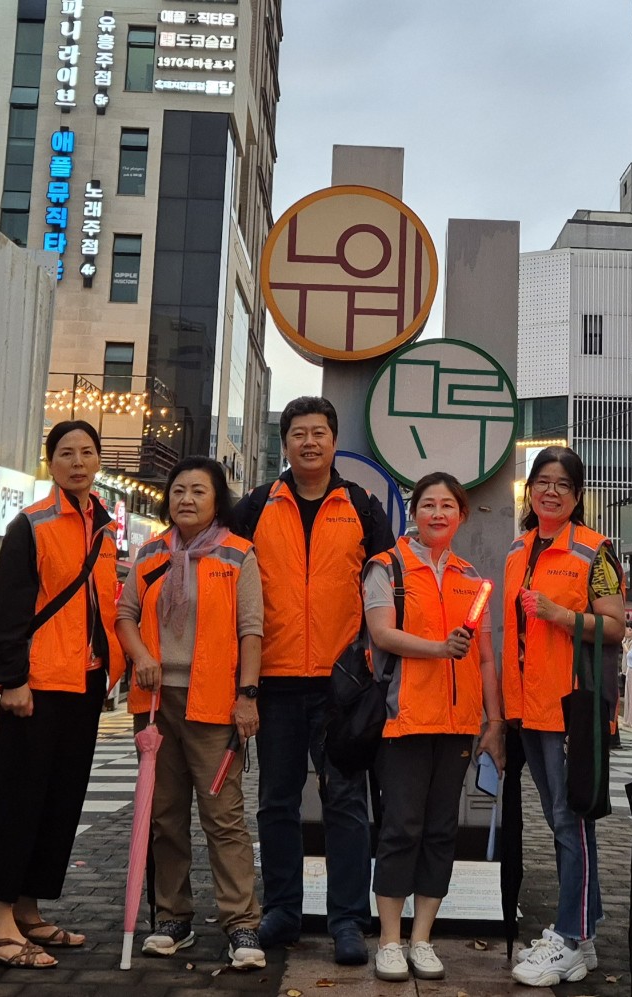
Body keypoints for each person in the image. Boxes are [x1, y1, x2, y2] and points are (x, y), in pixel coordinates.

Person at [232, 396, 394, 965]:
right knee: (276, 801)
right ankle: (283, 911)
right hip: (273, 681)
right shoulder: (254, 507)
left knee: (346, 802)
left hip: (341, 685)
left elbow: (386, 588)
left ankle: (348, 918)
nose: (309, 442)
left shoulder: (362, 507)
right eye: (298, 433)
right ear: (286, 443)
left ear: (332, 441)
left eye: (319, 433)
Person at [0, 420, 121, 970]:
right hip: (35, 687)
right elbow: (7, 608)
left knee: (58, 805)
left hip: (82, 686)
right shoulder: (31, 524)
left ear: (98, 460)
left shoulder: (104, 527)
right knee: (15, 803)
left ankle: (29, 911)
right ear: (50, 462)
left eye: (86, 452)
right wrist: (11, 680)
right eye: (65, 453)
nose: (77, 462)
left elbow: (102, 604)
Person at [118, 456, 266, 970]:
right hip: (157, 706)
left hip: (215, 705)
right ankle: (172, 918)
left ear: (217, 499)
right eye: (178, 490)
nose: (186, 499)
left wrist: (247, 695)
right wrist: (140, 655)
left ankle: (242, 924)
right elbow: (125, 614)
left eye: (198, 491)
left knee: (224, 819)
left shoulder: (238, 553)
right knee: (164, 817)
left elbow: (252, 630)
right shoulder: (151, 553)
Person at [363, 472, 505, 983]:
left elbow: (486, 659)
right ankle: (389, 939)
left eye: (448, 505)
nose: (438, 513)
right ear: (414, 512)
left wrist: (494, 721)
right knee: (402, 827)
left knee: (442, 830)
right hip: (403, 721)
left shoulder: (473, 578)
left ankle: (422, 938)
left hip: (458, 723)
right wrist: (439, 649)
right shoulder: (387, 567)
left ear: (462, 514)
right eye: (428, 505)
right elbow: (382, 634)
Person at [504, 447, 626, 988]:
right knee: (564, 821)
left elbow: (617, 628)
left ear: (578, 496)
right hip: (527, 708)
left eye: (563, 484)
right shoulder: (518, 550)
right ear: (530, 491)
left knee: (568, 822)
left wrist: (559, 615)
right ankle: (585, 931)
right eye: (542, 482)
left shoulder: (596, 553)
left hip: (571, 707)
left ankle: (571, 940)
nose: (550, 491)